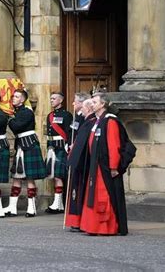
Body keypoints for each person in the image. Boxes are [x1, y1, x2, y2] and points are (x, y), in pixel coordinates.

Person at [80, 92, 130, 236]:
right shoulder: (97, 121)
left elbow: (114, 146)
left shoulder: (110, 121)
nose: (92, 104)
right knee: (94, 197)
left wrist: (114, 166)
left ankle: (107, 228)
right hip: (95, 165)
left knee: (104, 197)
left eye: (95, 102)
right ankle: (93, 226)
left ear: (103, 104)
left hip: (105, 167)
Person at [3, 89, 47, 217]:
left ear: (22, 99)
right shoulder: (17, 112)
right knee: (16, 177)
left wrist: (10, 119)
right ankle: (12, 207)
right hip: (21, 146)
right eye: (13, 96)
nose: (13, 98)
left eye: (16, 96)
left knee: (29, 178)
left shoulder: (27, 112)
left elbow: (17, 127)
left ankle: (31, 207)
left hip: (29, 146)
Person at [65, 98, 96, 231]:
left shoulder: (90, 122)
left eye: (83, 107)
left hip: (84, 163)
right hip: (79, 162)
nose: (80, 110)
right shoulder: (86, 121)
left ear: (88, 108)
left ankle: (79, 221)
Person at [45, 92, 73, 214]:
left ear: (60, 101)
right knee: (53, 175)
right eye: (50, 98)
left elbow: (69, 132)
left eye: (54, 98)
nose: (51, 100)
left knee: (58, 176)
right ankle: (59, 204)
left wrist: (68, 145)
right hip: (52, 147)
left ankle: (57, 203)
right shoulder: (50, 115)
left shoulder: (67, 115)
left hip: (62, 147)